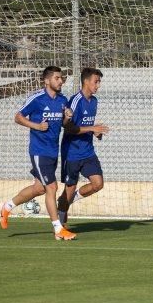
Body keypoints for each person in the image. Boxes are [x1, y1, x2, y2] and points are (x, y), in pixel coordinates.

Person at [0, 66, 77, 240]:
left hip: (52, 151)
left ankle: (7, 206)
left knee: (39, 188)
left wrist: (67, 117)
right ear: (47, 80)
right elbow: (18, 117)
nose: (60, 81)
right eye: (57, 78)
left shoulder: (62, 100)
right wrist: (37, 126)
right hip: (38, 150)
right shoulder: (37, 98)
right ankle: (58, 230)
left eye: (61, 78)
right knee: (52, 187)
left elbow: (64, 124)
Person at [56, 67, 110, 224]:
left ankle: (69, 200)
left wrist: (96, 132)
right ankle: (60, 224)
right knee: (69, 189)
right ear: (86, 81)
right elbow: (69, 128)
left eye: (99, 82)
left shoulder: (94, 101)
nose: (98, 85)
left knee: (98, 184)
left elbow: (87, 125)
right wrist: (92, 128)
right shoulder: (75, 101)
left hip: (87, 152)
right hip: (72, 153)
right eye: (96, 81)